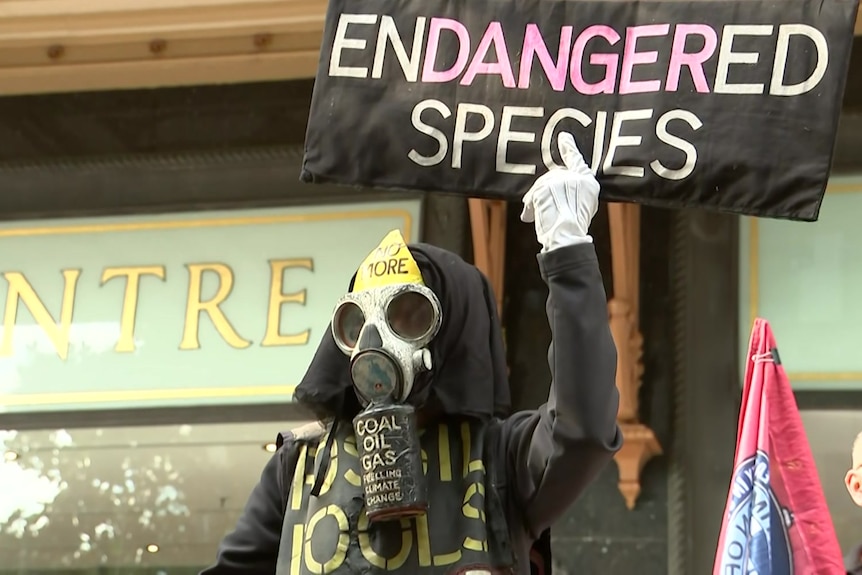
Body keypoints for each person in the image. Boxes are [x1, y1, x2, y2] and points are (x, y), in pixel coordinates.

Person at [200, 132, 622, 575]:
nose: (374, 340)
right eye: (356, 321)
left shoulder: (501, 461)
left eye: (407, 315)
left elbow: (583, 430)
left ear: (451, 330)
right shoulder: (300, 465)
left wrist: (567, 249)